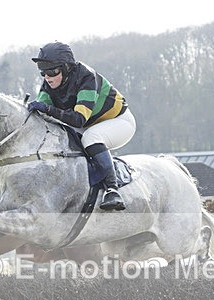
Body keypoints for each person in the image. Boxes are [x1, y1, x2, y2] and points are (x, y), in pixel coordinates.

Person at [28, 42, 136, 211]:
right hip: (88, 125)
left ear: (66, 68)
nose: (47, 77)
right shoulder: (48, 84)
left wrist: (48, 109)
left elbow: (78, 119)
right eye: (43, 72)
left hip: (119, 122)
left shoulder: (86, 77)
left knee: (91, 137)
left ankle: (112, 189)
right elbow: (41, 116)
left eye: (52, 71)